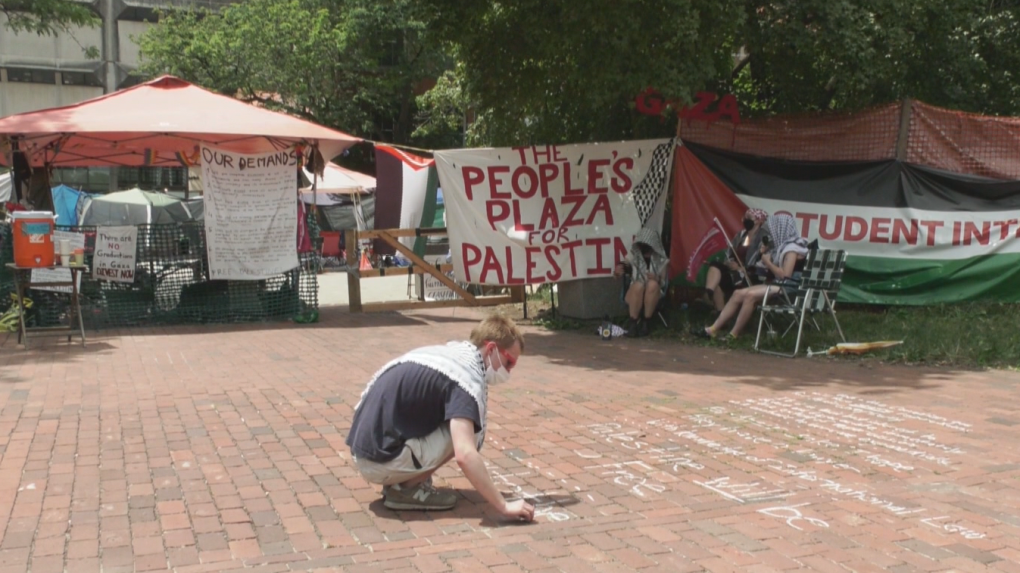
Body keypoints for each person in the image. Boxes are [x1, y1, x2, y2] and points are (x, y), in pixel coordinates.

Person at [345, 314, 535, 521]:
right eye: (508, 362)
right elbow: (465, 454)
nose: (508, 371)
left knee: (456, 421)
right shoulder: (464, 378)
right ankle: (404, 488)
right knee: (466, 432)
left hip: (365, 449)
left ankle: (405, 476)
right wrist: (504, 505)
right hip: (377, 462)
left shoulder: (448, 355)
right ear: (490, 349)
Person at [694, 213, 809, 340]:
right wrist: (763, 256)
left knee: (750, 296)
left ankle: (733, 334)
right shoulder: (781, 248)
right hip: (778, 285)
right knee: (738, 293)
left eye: (773, 230)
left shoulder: (792, 249)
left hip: (788, 287)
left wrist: (768, 263)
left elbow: (785, 275)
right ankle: (713, 329)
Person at [703, 209, 768, 312]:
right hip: (734, 271)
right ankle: (709, 295)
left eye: (749, 218)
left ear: (759, 221)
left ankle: (719, 311)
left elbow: (763, 262)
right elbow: (730, 251)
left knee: (719, 275)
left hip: (750, 275)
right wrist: (729, 263)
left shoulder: (764, 238)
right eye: (745, 217)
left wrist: (740, 268)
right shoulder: (741, 235)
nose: (745, 220)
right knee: (716, 266)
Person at [613, 228, 670, 337]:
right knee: (639, 285)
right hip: (634, 292)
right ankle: (633, 324)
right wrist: (617, 272)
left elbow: (663, 283)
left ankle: (645, 323)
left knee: (652, 285)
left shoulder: (661, 259)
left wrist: (656, 278)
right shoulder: (634, 255)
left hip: (654, 293)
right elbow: (623, 267)